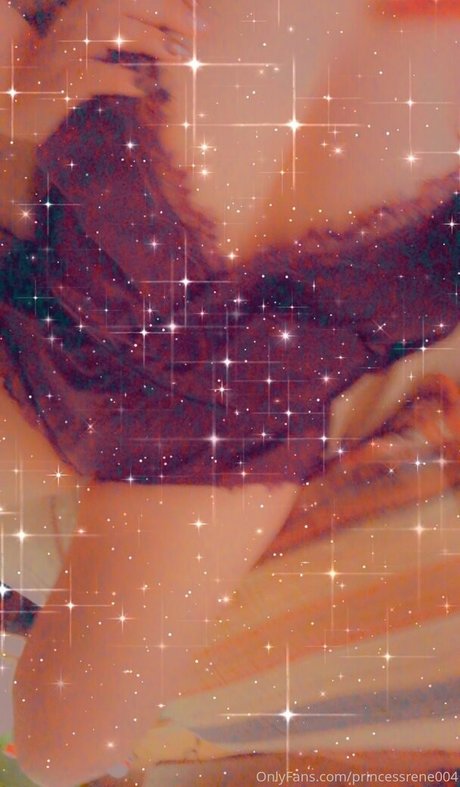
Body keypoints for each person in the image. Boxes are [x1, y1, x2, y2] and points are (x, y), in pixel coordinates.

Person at [0, 0, 459, 784]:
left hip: (232, 417)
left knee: (61, 745)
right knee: (60, 743)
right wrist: (18, 105)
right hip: (102, 346)